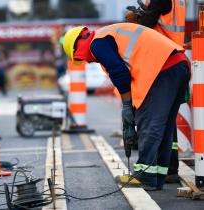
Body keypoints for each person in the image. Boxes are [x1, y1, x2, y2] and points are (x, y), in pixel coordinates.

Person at [62, 23, 190, 190]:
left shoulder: (97, 43)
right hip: (178, 65)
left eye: (79, 57)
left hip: (162, 69)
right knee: (164, 127)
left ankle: (145, 175)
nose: (86, 60)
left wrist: (127, 105)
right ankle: (156, 176)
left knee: (149, 125)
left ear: (78, 45)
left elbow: (120, 73)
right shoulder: (108, 35)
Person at [125, 0, 186, 183]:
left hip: (162, 61)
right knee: (167, 121)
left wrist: (135, 19)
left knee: (156, 120)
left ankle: (155, 170)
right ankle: (169, 169)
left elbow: (146, 24)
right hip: (174, 58)